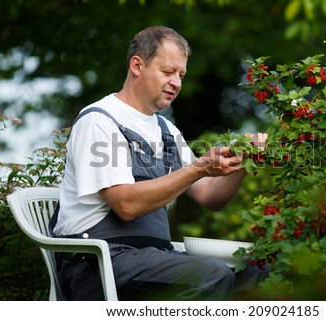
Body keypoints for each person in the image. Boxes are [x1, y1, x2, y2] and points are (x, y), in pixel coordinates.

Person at [51, 25, 269, 300]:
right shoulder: (99, 120)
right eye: (167, 72)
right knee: (213, 275)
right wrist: (198, 167)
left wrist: (244, 161)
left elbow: (210, 196)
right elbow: (126, 205)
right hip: (97, 265)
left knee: (259, 269)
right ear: (137, 65)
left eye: (181, 75)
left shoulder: (167, 130)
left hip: (152, 259)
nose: (176, 82)